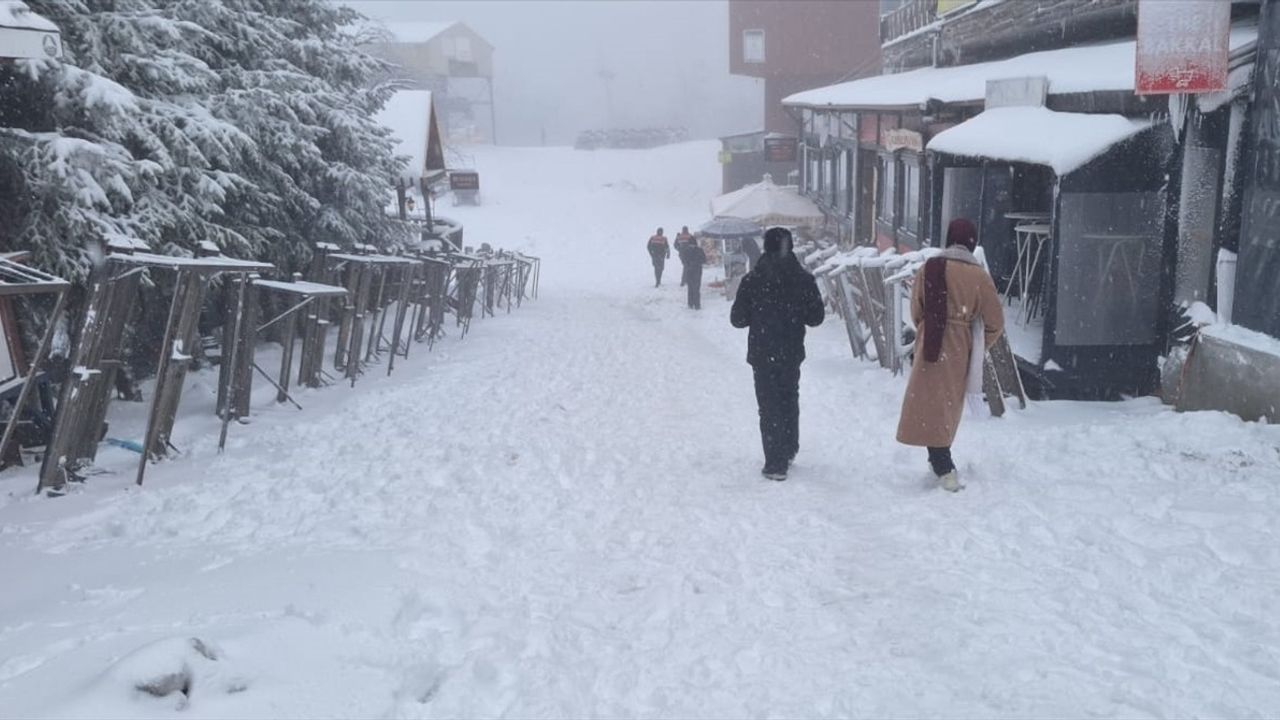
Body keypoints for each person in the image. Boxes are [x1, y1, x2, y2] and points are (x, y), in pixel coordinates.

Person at [896, 218, 1005, 492]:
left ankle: (940, 462)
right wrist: (977, 343)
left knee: (929, 402)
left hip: (930, 341)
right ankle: (943, 464)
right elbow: (995, 321)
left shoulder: (930, 267)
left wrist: (927, 329)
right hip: (960, 346)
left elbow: (916, 309)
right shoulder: (979, 276)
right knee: (946, 405)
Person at [730, 226, 824, 481]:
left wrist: (759, 314)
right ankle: (790, 447)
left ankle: (775, 463)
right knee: (789, 398)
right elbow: (816, 318)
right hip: (791, 351)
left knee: (768, 405)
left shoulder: (753, 280)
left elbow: (737, 319)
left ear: (765, 247)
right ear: (790, 247)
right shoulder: (804, 280)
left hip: (762, 352)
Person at [678, 235, 707, 309]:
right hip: (697, 271)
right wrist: (697, 263)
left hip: (689, 271)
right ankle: (697, 305)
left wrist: (688, 264)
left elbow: (683, 260)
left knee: (690, 288)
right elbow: (704, 260)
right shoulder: (699, 250)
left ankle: (690, 303)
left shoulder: (686, 250)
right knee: (696, 288)